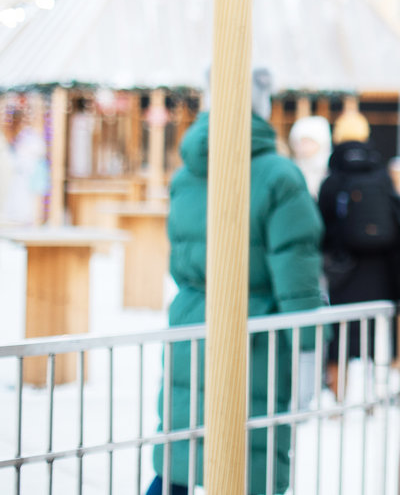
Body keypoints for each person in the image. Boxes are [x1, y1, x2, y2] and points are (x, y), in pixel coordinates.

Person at [150, 67, 324, 495]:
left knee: (183, 445)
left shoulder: (185, 174)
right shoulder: (280, 177)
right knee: (252, 459)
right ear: (262, 106)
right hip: (257, 332)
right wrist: (306, 351)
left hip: (193, 321)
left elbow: (180, 257)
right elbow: (296, 272)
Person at [318, 109, 400, 393]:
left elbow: (323, 221)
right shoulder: (381, 172)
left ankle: (339, 396)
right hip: (379, 266)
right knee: (374, 332)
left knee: (340, 333)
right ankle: (375, 394)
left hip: (343, 268)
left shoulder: (333, 176)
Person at [288, 114, 332, 197]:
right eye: (298, 142)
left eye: (308, 141)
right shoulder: (292, 168)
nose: (302, 147)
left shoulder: (329, 170)